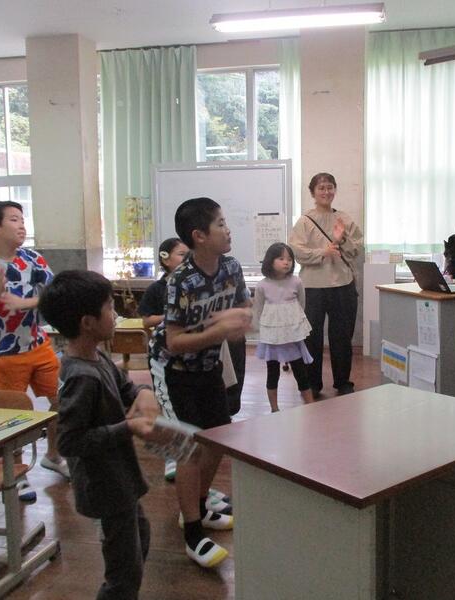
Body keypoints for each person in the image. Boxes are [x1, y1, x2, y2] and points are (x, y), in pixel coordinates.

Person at [38, 270, 160, 600]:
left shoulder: (98, 356)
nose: (115, 314)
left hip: (120, 475)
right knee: (123, 573)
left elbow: (125, 387)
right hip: (104, 482)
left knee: (140, 538)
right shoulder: (81, 376)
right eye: (109, 307)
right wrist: (128, 427)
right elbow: (70, 441)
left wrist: (143, 392)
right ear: (88, 323)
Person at [151, 197, 253, 568]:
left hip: (209, 365)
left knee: (218, 439)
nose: (228, 230)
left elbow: (244, 311)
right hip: (172, 369)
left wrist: (239, 320)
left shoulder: (231, 267)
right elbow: (175, 342)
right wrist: (220, 330)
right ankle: (192, 533)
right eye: (220, 224)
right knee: (188, 449)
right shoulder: (180, 280)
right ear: (199, 236)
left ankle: (197, 506)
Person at [0, 200, 69, 502]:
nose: (22, 225)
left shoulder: (31, 258)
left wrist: (27, 302)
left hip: (38, 345)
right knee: (10, 416)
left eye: (22, 219)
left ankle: (53, 455)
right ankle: (16, 473)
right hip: (3, 354)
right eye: (13, 219)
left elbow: (56, 292)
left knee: (61, 401)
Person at [288, 173, 364, 398]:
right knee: (311, 337)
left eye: (330, 187)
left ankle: (343, 381)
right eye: (321, 188)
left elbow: (357, 249)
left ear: (335, 190)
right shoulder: (304, 221)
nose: (326, 192)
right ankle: (313, 383)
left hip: (343, 284)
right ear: (313, 192)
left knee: (342, 336)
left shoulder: (344, 218)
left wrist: (342, 239)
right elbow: (296, 252)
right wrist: (323, 252)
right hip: (312, 287)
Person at [138, 237, 188, 482]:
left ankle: (186, 453)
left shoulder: (189, 283)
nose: (186, 259)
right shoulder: (156, 289)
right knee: (167, 407)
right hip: (163, 356)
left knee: (184, 406)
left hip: (186, 355)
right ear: (165, 259)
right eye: (181, 254)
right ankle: (172, 457)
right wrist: (169, 315)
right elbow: (146, 320)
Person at [254, 242, 314, 412]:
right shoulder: (262, 285)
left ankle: (311, 407)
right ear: (270, 260)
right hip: (272, 337)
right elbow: (258, 309)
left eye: (289, 259)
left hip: (293, 335)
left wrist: (292, 321)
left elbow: (301, 304)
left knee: (300, 371)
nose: (286, 262)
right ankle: (274, 409)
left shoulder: (296, 282)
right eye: (281, 258)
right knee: (272, 373)